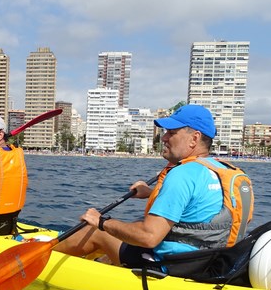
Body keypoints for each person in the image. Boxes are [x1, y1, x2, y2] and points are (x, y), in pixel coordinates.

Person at [54, 104, 253, 268]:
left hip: (171, 266)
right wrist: (150, 193)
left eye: (172, 133)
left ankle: (41, 257)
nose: (164, 138)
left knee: (96, 231)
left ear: (195, 138)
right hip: (208, 262)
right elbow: (198, 210)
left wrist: (101, 221)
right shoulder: (223, 171)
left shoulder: (182, 174)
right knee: (122, 235)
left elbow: (149, 237)